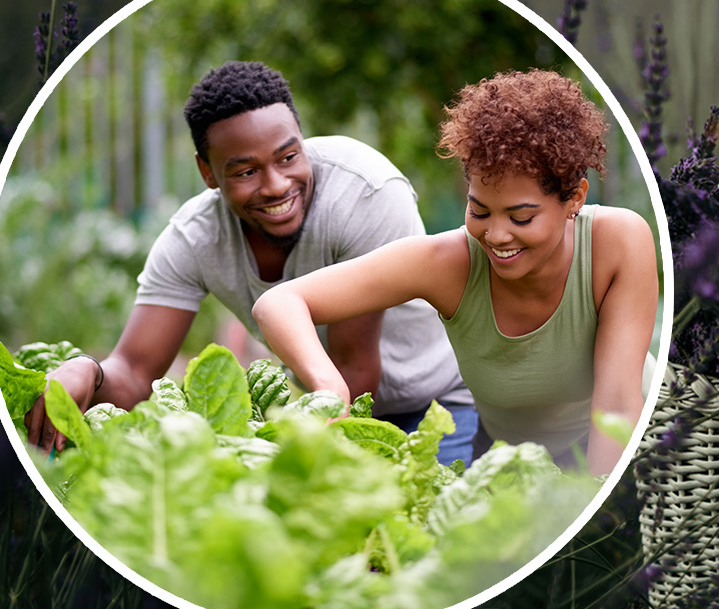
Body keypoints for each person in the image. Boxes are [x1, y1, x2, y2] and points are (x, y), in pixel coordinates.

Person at [24, 61, 478, 464]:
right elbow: (136, 372)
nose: (277, 185)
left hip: (438, 406)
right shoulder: (194, 237)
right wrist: (89, 369)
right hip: (323, 410)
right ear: (208, 173)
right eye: (245, 172)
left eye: (288, 157)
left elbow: (355, 374)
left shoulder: (365, 193)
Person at [251, 70, 659, 476]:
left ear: (575, 198)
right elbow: (279, 304)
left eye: (521, 217)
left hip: (638, 450)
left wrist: (598, 514)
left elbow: (618, 410)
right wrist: (330, 387)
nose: (496, 235)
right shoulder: (449, 263)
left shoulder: (617, 241)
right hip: (511, 468)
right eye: (479, 210)